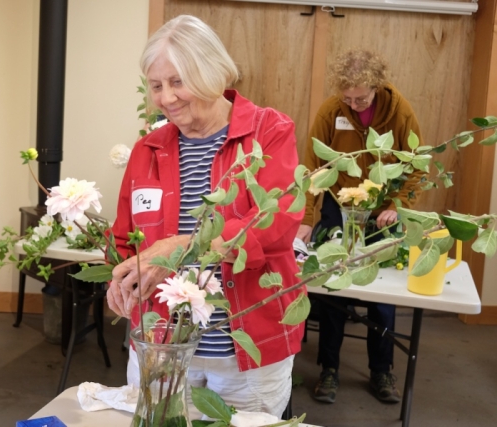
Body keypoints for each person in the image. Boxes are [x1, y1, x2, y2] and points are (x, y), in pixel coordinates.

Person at [106, 15, 304, 416]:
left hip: (244, 356)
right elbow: (127, 239)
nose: (166, 98)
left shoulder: (269, 132)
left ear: (212, 72)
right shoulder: (148, 149)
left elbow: (275, 226)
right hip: (161, 346)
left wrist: (179, 246)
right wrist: (121, 275)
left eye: (178, 82)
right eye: (156, 85)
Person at [297, 49, 425, 404]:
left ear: (377, 87)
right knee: (336, 288)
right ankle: (330, 369)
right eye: (347, 98)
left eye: (362, 98)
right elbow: (312, 168)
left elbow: (415, 166)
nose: (353, 105)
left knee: (382, 294)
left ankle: (382, 369)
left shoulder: (400, 111)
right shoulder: (330, 111)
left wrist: (396, 206)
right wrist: (307, 220)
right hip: (340, 207)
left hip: (382, 208)